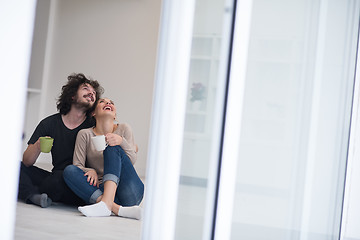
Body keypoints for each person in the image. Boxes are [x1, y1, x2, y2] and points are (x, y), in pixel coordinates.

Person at [18, 73, 104, 208]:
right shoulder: (49, 123)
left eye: (94, 93)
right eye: (86, 89)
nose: (91, 93)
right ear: (72, 96)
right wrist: (38, 145)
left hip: (82, 181)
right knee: (16, 168)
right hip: (56, 178)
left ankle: (32, 192)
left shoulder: (94, 125)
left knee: (59, 179)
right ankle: (32, 196)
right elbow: (27, 161)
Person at [63, 98, 144, 219]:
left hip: (128, 191)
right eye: (102, 102)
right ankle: (114, 207)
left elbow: (132, 160)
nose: (108, 103)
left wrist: (121, 141)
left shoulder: (124, 128)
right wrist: (89, 170)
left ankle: (105, 204)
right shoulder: (84, 134)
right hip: (101, 190)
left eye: (111, 102)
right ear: (93, 113)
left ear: (115, 115)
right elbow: (77, 165)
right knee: (69, 171)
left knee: (112, 148)